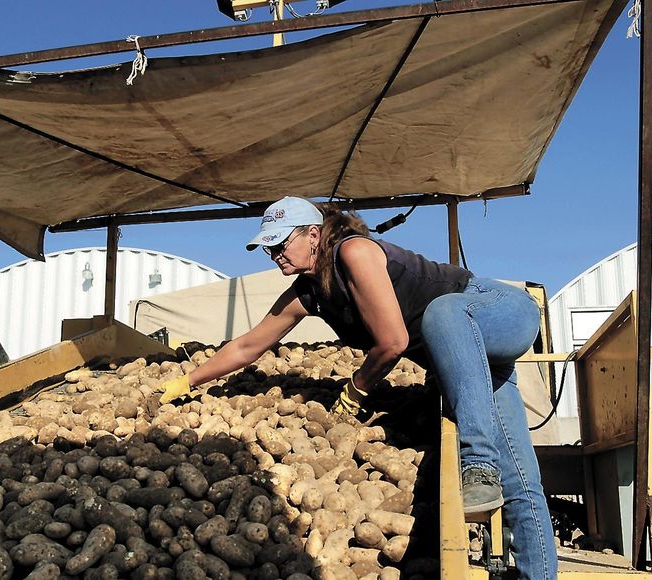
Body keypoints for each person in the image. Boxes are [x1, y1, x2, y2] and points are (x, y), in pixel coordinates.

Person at [156, 196, 556, 579]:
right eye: (268, 248)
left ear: (313, 235)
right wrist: (185, 381)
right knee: (520, 478)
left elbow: (394, 342)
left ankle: (478, 463)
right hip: (467, 361)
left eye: (281, 243)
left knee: (443, 310)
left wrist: (355, 388)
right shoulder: (309, 293)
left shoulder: (354, 252)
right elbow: (248, 345)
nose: (275, 254)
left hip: (496, 310)